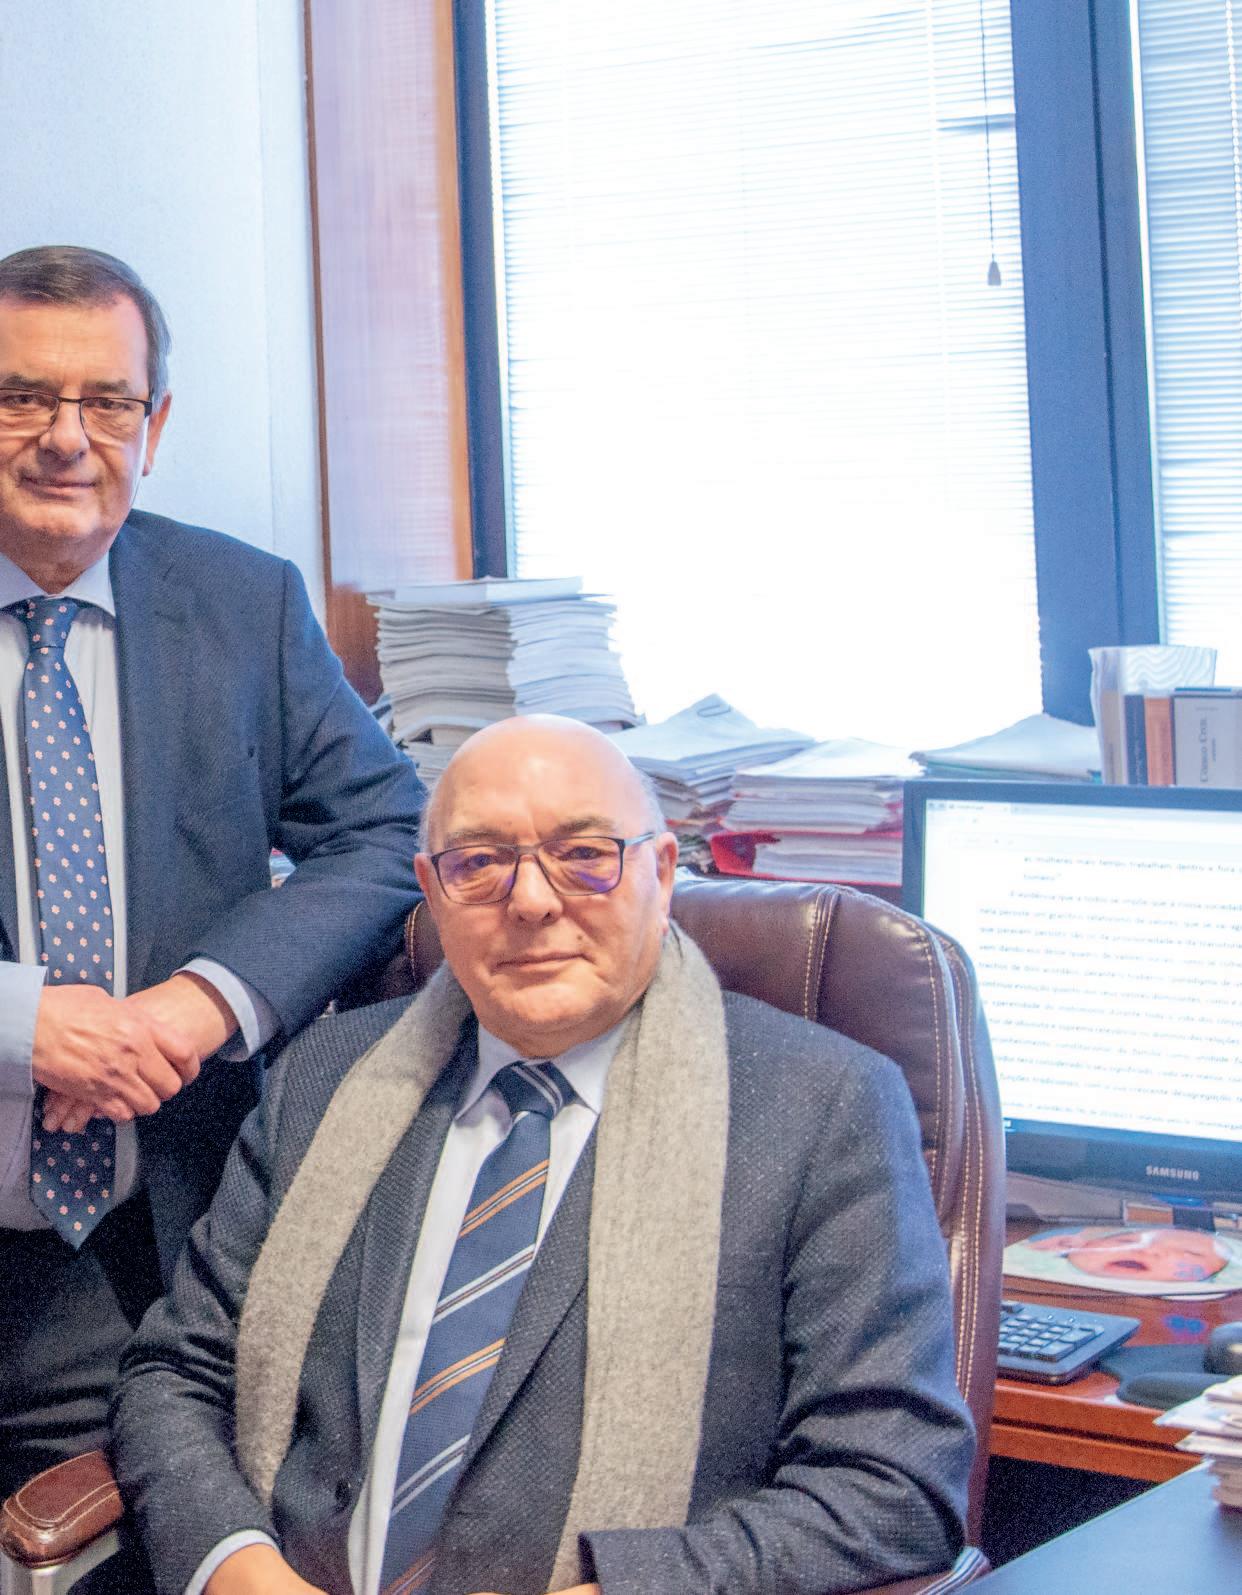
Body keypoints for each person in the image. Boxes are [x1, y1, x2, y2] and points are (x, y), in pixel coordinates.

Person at [113, 714, 974, 1595]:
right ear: (432, 890)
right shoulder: (327, 1077)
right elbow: (175, 1374)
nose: (530, 900)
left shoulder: (821, 1109)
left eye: (584, 854)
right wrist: (244, 1573)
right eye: (480, 861)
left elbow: (891, 1484)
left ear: (661, 874)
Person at [0, 245, 426, 1502]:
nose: (66, 437)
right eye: (21, 397)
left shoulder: (242, 604)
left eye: (107, 401)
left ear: (156, 423)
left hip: (143, 1251)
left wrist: (199, 1003)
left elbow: (388, 827)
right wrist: (25, 1022)